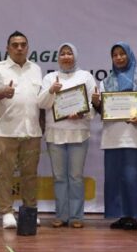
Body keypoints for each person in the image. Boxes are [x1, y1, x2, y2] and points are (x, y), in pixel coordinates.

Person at [0, 31, 43, 229]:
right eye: (15, 45)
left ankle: (29, 211)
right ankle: (7, 212)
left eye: (23, 45)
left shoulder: (36, 68)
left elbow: (40, 99)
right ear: (7, 48)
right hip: (5, 130)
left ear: (27, 47)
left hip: (32, 131)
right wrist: (4, 91)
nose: (19, 48)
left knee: (30, 174)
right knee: (5, 174)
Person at [92, 42, 137, 231]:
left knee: (133, 177)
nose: (118, 58)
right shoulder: (105, 82)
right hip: (112, 136)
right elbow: (104, 111)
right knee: (115, 178)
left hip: (135, 134)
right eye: (115, 55)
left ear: (129, 55)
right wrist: (96, 103)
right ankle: (121, 215)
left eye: (122, 54)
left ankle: (133, 215)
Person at [37, 43, 96, 229]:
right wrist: (51, 90)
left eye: (69, 53)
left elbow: (94, 104)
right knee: (59, 177)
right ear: (58, 57)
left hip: (79, 134)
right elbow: (41, 103)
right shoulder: (49, 78)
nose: (66, 56)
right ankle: (61, 215)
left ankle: (76, 216)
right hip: (55, 134)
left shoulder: (86, 76)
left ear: (75, 56)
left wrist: (82, 113)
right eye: (62, 53)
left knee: (76, 176)